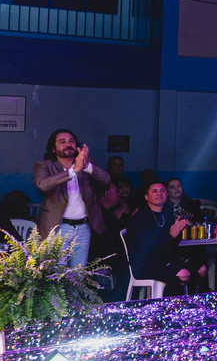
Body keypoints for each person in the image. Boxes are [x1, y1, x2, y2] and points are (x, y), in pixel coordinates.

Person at [33, 129, 111, 267]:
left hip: (83, 228)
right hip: (58, 228)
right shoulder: (45, 166)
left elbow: (106, 180)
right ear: (53, 148)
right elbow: (43, 184)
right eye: (62, 142)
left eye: (71, 141)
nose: (68, 145)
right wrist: (73, 171)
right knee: (56, 273)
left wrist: (87, 166)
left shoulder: (87, 163)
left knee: (78, 272)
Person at [124, 180, 204, 296]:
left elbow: (171, 244)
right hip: (144, 264)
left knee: (201, 269)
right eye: (154, 191)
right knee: (183, 274)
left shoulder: (166, 214)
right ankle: (169, 303)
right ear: (146, 197)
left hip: (164, 258)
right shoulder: (140, 217)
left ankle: (190, 300)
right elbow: (146, 247)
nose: (159, 194)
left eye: (162, 191)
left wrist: (178, 232)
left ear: (166, 195)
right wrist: (170, 235)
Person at [90, 182, 131, 301]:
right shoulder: (97, 213)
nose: (118, 195)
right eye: (116, 192)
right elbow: (104, 241)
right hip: (102, 260)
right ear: (107, 194)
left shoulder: (110, 211)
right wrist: (115, 218)